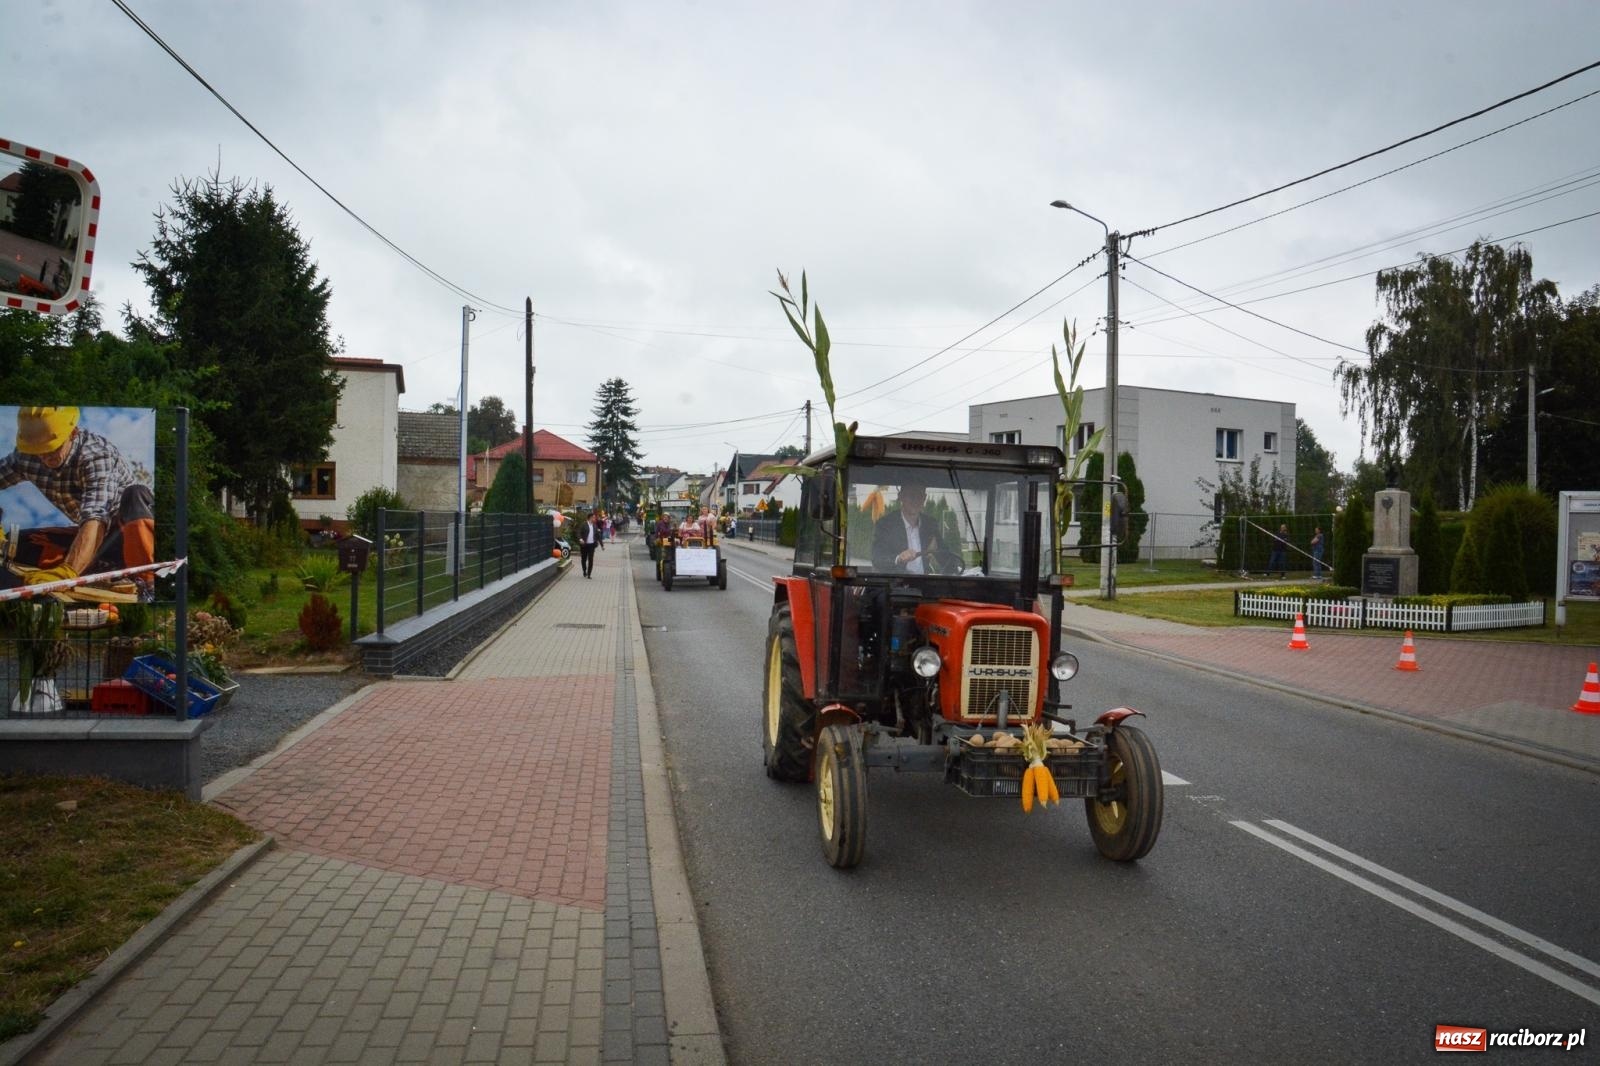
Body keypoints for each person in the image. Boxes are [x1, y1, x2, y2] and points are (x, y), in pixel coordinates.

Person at [0, 406, 156, 600]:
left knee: (137, 493)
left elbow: (95, 516)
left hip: (124, 534)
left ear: (72, 433)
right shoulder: (25, 456)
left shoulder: (96, 455)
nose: (45, 457)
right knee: (20, 541)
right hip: (94, 541)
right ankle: (98, 565)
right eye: (38, 451)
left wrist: (67, 572)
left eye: (52, 448)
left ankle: (146, 583)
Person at [871, 483, 955, 574]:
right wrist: (899, 558)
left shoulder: (930, 524)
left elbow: (948, 560)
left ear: (924, 498)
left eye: (919, 496)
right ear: (901, 496)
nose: (915, 500)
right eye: (911, 495)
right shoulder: (886, 524)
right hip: (896, 584)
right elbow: (877, 558)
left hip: (924, 584)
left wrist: (937, 551)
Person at [577, 510, 604, 578]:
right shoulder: (584, 524)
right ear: (590, 518)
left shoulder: (594, 526)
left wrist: (602, 545)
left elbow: (598, 536)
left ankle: (589, 574)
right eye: (593, 518)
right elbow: (578, 532)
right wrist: (580, 539)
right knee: (584, 559)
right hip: (584, 545)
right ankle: (584, 571)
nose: (594, 519)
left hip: (592, 545)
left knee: (591, 560)